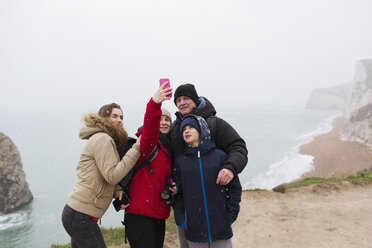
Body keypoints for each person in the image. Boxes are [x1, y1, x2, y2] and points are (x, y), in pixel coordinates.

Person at [170, 83, 248, 247]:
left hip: (216, 209)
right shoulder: (175, 129)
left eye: (186, 98)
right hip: (189, 211)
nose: (182, 102)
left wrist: (230, 167)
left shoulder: (215, 124)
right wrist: (181, 218)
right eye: (178, 100)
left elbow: (238, 147)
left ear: (196, 101)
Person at [61, 103, 141, 248]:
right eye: (114, 116)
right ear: (103, 119)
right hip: (81, 216)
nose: (119, 120)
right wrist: (136, 149)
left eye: (121, 117)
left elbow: (105, 174)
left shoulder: (103, 138)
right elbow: (111, 176)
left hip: (76, 214)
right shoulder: (103, 139)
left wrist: (117, 191)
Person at [123, 82, 175, 248]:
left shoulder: (168, 148)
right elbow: (151, 128)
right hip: (139, 216)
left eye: (167, 120)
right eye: (161, 119)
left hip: (158, 215)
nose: (164, 122)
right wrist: (155, 103)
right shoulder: (148, 143)